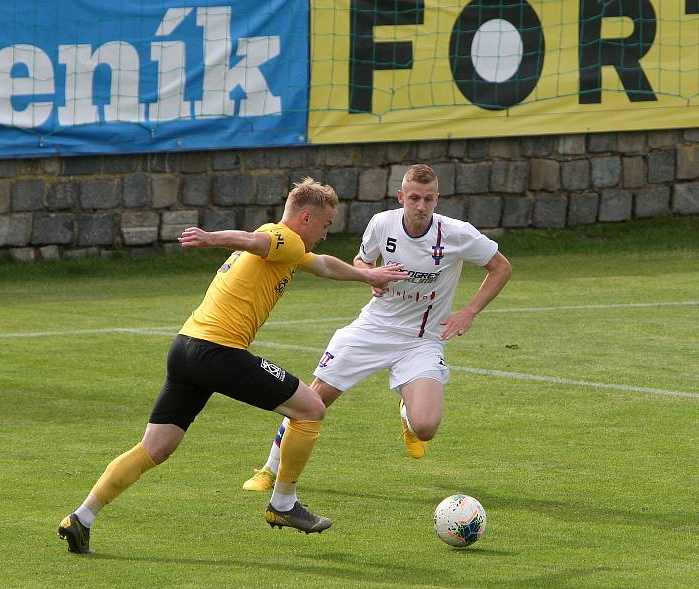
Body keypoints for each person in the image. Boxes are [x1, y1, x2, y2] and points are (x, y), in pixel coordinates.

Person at [57, 178, 409, 554]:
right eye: (325, 225)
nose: (326, 234)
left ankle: (81, 517)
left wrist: (367, 275)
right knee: (311, 409)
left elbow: (321, 265)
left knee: (155, 447)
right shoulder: (282, 238)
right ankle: (283, 504)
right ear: (306, 217)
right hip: (218, 352)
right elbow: (249, 240)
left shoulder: (285, 246)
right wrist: (211, 239)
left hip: (185, 348)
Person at [242, 164, 512, 492]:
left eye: (429, 199)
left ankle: (408, 414)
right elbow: (362, 260)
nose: (421, 206)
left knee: (426, 427)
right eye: (414, 198)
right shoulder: (382, 223)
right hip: (373, 327)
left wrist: (469, 312)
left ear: (437, 199)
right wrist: (371, 276)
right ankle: (268, 471)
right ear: (401, 197)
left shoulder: (457, 233)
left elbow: (501, 267)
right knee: (313, 400)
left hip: (421, 339)